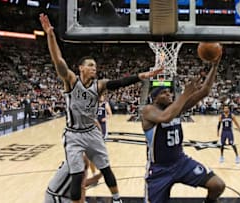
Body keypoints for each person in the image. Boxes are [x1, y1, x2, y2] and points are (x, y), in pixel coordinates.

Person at [40, 13, 163, 203]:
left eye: (95, 66)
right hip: (73, 135)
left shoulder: (99, 85)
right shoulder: (71, 81)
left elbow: (121, 82)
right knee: (76, 176)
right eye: (89, 65)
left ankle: (116, 199)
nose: (94, 68)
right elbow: (58, 60)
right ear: (80, 68)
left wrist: (144, 75)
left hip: (91, 131)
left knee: (106, 168)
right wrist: (50, 35)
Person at [141, 58, 225, 203]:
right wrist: (186, 93)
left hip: (181, 162)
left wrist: (215, 66)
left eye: (170, 92)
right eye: (164, 93)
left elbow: (205, 91)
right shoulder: (148, 110)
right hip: (159, 169)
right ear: (155, 98)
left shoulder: (176, 108)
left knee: (217, 185)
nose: (169, 95)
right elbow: (165, 117)